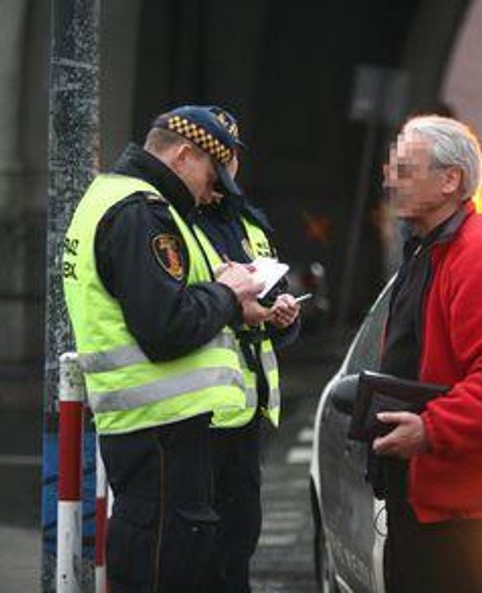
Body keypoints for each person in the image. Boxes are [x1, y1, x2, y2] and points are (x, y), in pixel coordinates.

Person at [62, 104, 264, 593]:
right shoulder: (141, 213)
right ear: (183, 155)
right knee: (163, 567)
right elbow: (165, 327)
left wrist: (219, 298)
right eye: (213, 175)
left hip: (157, 428)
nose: (213, 191)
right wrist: (229, 294)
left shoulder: (118, 200)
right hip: (161, 430)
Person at [371, 115, 482, 593]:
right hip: (421, 495)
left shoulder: (480, 256)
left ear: (451, 180)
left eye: (406, 169)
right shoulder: (431, 250)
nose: (391, 179)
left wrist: (431, 428)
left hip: (446, 507)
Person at [184, 107, 301, 592]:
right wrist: (235, 306)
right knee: (196, 555)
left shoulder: (250, 224)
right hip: (197, 413)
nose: (227, 168)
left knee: (238, 546)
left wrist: (283, 316)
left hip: (248, 414)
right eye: (218, 158)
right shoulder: (175, 220)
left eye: (232, 158)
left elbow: (272, 297)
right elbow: (175, 313)